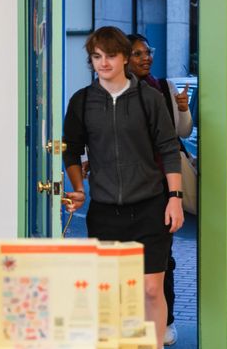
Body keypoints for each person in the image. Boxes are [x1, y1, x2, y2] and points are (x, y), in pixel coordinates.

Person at [63, 26, 184, 347]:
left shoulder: (149, 98)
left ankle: (155, 344)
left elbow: (169, 149)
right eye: (97, 56)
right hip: (105, 211)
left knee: (150, 289)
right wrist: (77, 188)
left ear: (124, 59)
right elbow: (71, 150)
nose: (103, 63)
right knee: (112, 292)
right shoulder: (82, 101)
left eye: (111, 56)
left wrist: (174, 197)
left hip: (150, 207)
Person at [127, 33, 192, 347]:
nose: (146, 58)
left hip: (161, 185)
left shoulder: (162, 86)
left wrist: (182, 109)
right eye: (138, 54)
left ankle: (165, 322)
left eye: (147, 52)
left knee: (162, 259)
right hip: (126, 188)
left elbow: (182, 132)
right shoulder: (115, 93)